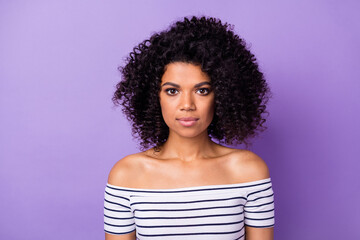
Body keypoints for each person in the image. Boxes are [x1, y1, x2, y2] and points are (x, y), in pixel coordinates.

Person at [104, 15, 274, 240]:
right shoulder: (127, 175)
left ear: (221, 95)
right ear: (155, 98)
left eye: (202, 90)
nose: (187, 105)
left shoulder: (248, 171)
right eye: (172, 91)